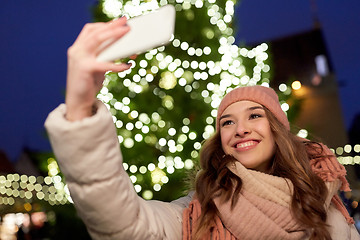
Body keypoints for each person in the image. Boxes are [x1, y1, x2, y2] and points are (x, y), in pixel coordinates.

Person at [44, 17, 360, 240]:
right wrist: (81, 107)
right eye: (227, 122)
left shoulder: (326, 204)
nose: (240, 129)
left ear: (279, 129)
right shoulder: (198, 213)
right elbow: (124, 223)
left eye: (254, 116)